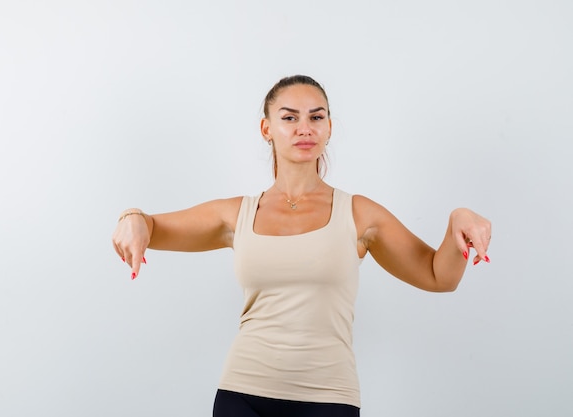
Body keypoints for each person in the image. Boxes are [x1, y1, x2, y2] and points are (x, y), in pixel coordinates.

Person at [111, 75, 491, 417]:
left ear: (328, 128)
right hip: (242, 393)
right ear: (267, 128)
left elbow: (438, 275)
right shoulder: (236, 214)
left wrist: (457, 221)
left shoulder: (358, 214)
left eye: (316, 117)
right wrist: (132, 218)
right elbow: (152, 227)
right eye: (289, 118)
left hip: (329, 397)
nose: (304, 128)